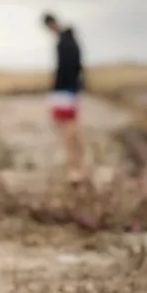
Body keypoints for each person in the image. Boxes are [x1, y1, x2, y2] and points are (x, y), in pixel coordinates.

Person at [41, 11, 87, 184]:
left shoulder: (64, 41)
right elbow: (78, 67)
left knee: (69, 129)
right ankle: (78, 166)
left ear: (51, 24)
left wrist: (57, 90)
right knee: (73, 128)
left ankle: (74, 168)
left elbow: (67, 69)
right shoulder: (68, 39)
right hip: (70, 90)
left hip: (66, 90)